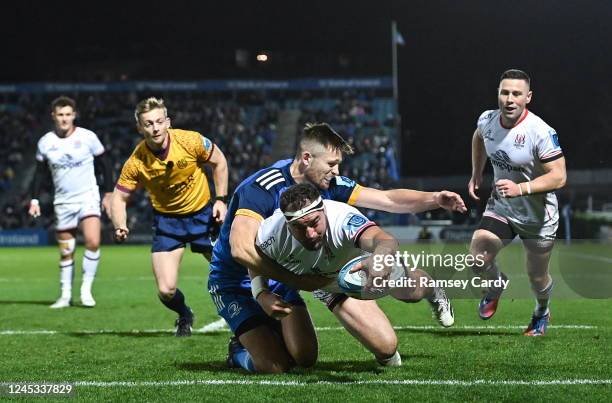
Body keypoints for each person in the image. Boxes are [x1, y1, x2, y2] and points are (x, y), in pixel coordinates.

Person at [207, 122, 466, 373]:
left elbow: (386, 198)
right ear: (307, 158)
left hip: (313, 269)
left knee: (387, 342)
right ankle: (245, 344)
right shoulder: (261, 188)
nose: (337, 172)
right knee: (282, 363)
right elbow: (242, 250)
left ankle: (432, 288)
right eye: (332, 164)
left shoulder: (330, 185)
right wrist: (278, 286)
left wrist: (434, 199)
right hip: (242, 277)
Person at [255, 184, 449, 368]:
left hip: (362, 265)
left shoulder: (342, 218)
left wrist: (379, 259)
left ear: (323, 210)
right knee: (386, 348)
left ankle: (432, 289)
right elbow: (254, 261)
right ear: (288, 224)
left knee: (410, 293)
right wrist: (260, 292)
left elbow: (382, 239)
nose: (311, 234)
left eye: (314, 223)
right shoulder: (271, 233)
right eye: (299, 228)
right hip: (327, 284)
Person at [111, 97, 228, 337]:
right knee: (165, 290)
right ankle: (185, 314)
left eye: (158, 121)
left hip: (203, 217)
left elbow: (219, 162)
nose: (154, 128)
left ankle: (252, 315)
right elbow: (118, 197)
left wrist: (221, 200)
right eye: (148, 123)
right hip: (167, 223)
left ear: (168, 122)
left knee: (230, 272)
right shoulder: (136, 161)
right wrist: (120, 224)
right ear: (140, 128)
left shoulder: (190, 140)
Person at [468, 69, 566, 336]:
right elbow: (479, 137)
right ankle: (496, 284)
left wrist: (520, 188)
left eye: (516, 94)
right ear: (498, 94)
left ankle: (541, 311)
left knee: (537, 278)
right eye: (505, 92)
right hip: (502, 206)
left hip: (538, 217)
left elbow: (559, 176)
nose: (509, 99)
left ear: (528, 97)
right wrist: (477, 172)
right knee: (477, 257)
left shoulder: (540, 132)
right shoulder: (487, 120)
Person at [29, 96, 114, 309]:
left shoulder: (88, 137)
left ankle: (86, 290)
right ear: (53, 116)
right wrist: (35, 199)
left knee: (93, 241)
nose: (64, 119)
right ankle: (65, 296)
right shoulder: (46, 142)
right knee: (66, 250)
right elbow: (39, 174)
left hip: (88, 197)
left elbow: (105, 164)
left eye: (68, 114)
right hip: (63, 202)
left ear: (74, 115)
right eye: (60, 115)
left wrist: (108, 193)